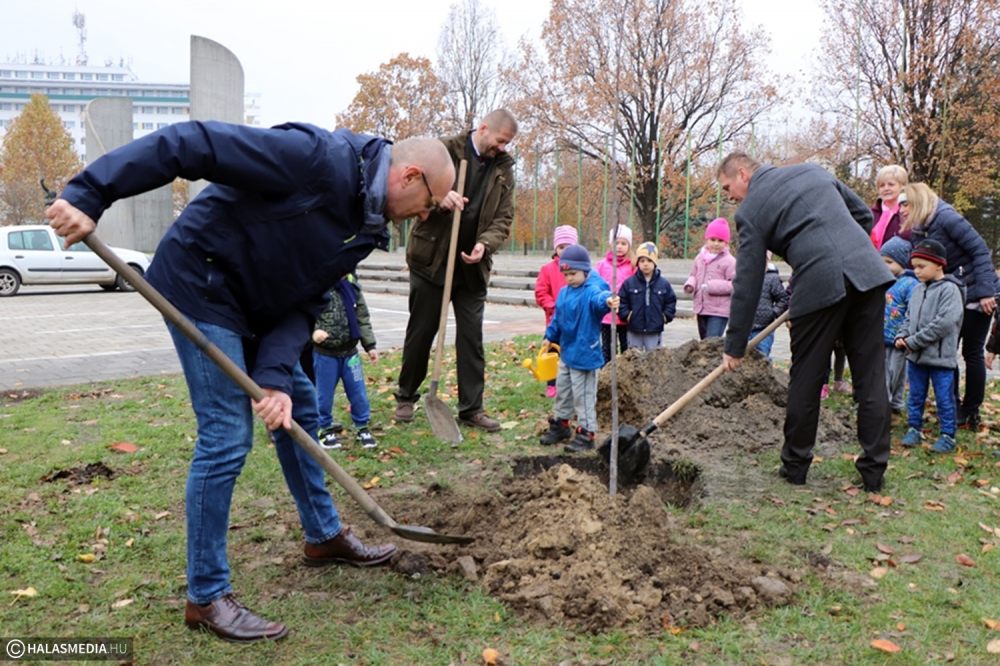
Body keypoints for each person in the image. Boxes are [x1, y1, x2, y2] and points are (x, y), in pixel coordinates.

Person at [46, 120, 456, 643]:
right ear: (410, 176)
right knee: (226, 435)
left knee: (300, 406)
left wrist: (274, 379)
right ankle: (207, 596)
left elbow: (308, 295)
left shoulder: (368, 227)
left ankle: (323, 536)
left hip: (263, 305)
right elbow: (190, 144)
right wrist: (90, 192)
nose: (425, 215)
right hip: (203, 284)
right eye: (429, 203)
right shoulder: (314, 157)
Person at [718, 151, 895, 493]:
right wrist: (845, 250)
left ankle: (796, 466)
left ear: (743, 174)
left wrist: (735, 343)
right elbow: (862, 214)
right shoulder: (813, 172)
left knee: (806, 377)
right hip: (867, 273)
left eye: (728, 187)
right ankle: (874, 473)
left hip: (818, 283)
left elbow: (748, 279)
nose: (729, 196)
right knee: (871, 376)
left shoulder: (750, 211)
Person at [394, 109, 518, 433]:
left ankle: (471, 408)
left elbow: (504, 218)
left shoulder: (504, 170)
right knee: (421, 332)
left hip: (471, 269)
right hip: (432, 259)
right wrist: (438, 198)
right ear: (484, 128)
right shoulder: (444, 150)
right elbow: (412, 195)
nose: (502, 148)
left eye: (507, 143)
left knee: (471, 339)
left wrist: (485, 245)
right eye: (500, 140)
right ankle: (406, 396)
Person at [901, 182, 998, 431]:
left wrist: (987, 291)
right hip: (951, 291)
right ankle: (952, 406)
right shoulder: (918, 229)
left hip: (977, 292)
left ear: (919, 202)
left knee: (972, 352)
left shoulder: (947, 218)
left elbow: (979, 251)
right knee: (947, 351)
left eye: (906, 204)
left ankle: (970, 409)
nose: (902, 210)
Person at [538, 245, 619, 452]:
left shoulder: (591, 290)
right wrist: (550, 336)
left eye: (573, 274)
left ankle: (587, 433)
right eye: (565, 275)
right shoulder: (564, 293)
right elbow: (558, 318)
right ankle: (561, 424)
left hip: (585, 356)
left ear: (585, 270)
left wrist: (608, 300)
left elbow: (599, 299)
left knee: (584, 397)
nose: (569, 278)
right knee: (563, 392)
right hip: (566, 353)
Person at [896, 240, 966, 452]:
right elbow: (909, 317)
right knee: (915, 395)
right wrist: (902, 335)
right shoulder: (917, 290)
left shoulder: (950, 290)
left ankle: (948, 434)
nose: (916, 271)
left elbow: (944, 323)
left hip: (940, 359)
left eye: (921, 266)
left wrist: (913, 342)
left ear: (939, 265)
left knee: (944, 398)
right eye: (914, 266)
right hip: (915, 358)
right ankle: (914, 429)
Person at [313, 274, 379, 450]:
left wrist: (370, 345)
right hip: (324, 354)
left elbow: (362, 318)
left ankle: (362, 427)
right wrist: (314, 332)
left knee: (358, 393)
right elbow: (305, 314)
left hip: (351, 354)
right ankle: (324, 428)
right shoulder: (316, 287)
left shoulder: (352, 287)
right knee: (323, 395)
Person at [535, 225, 578, 397]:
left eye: (568, 247)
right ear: (555, 248)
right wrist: (553, 306)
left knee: (572, 351)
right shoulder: (547, 269)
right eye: (561, 248)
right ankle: (552, 383)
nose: (564, 251)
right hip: (554, 320)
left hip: (575, 320)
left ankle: (572, 381)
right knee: (552, 350)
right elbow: (541, 292)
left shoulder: (579, 270)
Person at [879, 236, 918, 424]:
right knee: (883, 374)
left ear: (901, 262)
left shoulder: (910, 284)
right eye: (882, 261)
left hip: (899, 340)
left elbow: (914, 310)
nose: (884, 265)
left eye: (889, 261)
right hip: (881, 337)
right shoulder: (883, 280)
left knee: (896, 375)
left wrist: (908, 333)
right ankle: (883, 407)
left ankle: (893, 407)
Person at [617, 242, 677, 350]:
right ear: (637, 263)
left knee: (654, 358)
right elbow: (622, 301)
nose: (645, 264)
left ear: (655, 263)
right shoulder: (629, 283)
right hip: (634, 328)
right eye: (642, 260)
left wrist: (664, 317)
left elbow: (670, 302)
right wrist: (627, 316)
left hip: (654, 329)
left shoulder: (663, 284)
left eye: (649, 260)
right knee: (634, 359)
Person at [684, 217, 736, 339]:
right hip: (701, 308)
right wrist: (690, 284)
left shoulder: (730, 262)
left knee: (711, 343)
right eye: (713, 239)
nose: (716, 244)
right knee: (704, 344)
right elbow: (694, 275)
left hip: (719, 311)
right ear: (707, 239)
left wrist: (711, 286)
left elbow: (735, 284)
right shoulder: (699, 258)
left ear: (726, 243)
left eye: (720, 240)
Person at [596, 225, 635, 363]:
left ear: (629, 246)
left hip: (625, 316)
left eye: (623, 243)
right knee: (607, 348)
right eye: (616, 243)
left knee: (627, 348)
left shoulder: (632, 266)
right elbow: (596, 287)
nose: (619, 246)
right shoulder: (602, 265)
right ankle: (606, 374)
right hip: (606, 317)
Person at [748, 251, 789, 360]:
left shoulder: (772, 278)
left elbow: (783, 298)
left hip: (765, 327)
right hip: (745, 327)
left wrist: (774, 312)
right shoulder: (744, 278)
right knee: (745, 357)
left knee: (762, 356)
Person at [869, 164, 911, 249]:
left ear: (902, 186)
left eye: (891, 184)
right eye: (882, 185)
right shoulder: (871, 214)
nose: (886, 188)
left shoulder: (910, 212)